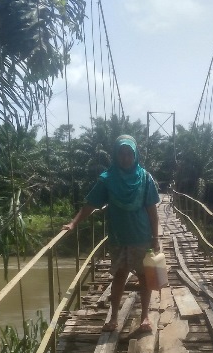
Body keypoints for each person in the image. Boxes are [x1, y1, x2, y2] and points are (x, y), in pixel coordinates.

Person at [63, 134, 161, 333]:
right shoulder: (107, 179)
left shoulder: (145, 178)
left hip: (141, 235)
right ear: (115, 155)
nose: (125, 158)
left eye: (129, 154)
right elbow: (91, 204)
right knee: (119, 276)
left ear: (135, 155)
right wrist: (73, 223)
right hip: (118, 237)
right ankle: (114, 317)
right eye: (121, 154)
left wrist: (156, 238)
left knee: (144, 277)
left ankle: (144, 318)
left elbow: (153, 211)